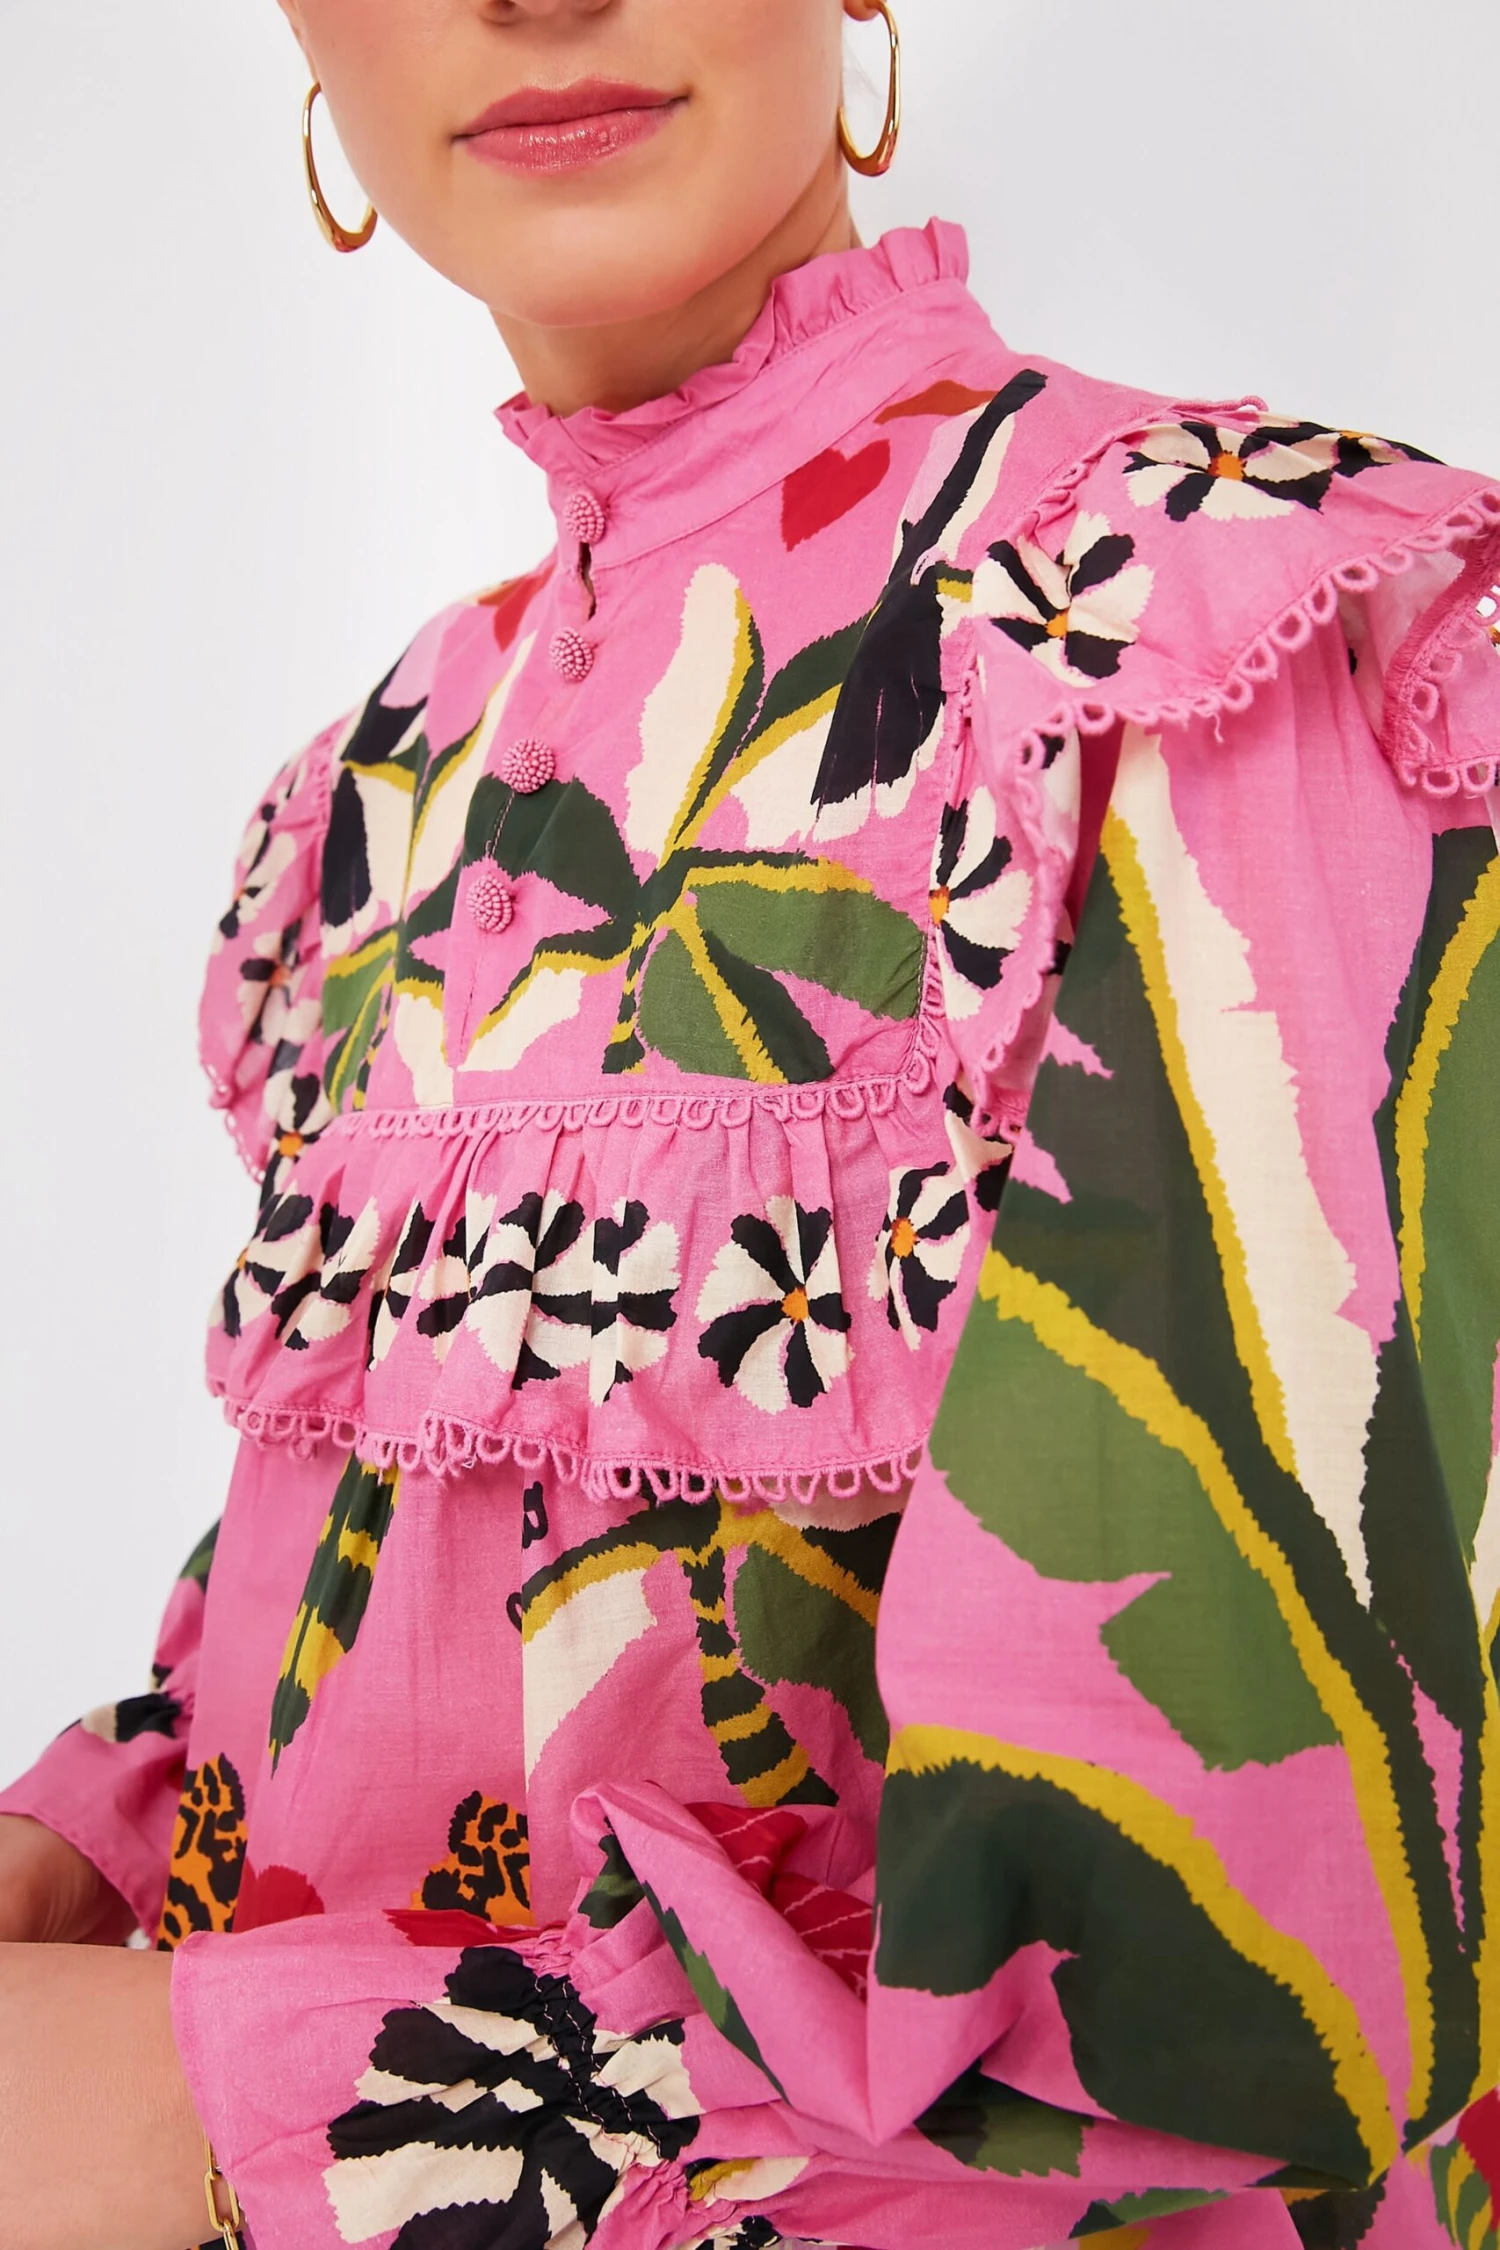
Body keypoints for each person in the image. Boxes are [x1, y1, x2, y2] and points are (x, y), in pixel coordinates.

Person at [2, 3, 1498, 2246]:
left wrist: (218, 2112)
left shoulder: (1193, 627)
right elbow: (399, 1615)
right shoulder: (381, 783)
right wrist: (96, 1836)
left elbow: (1265, 2017)